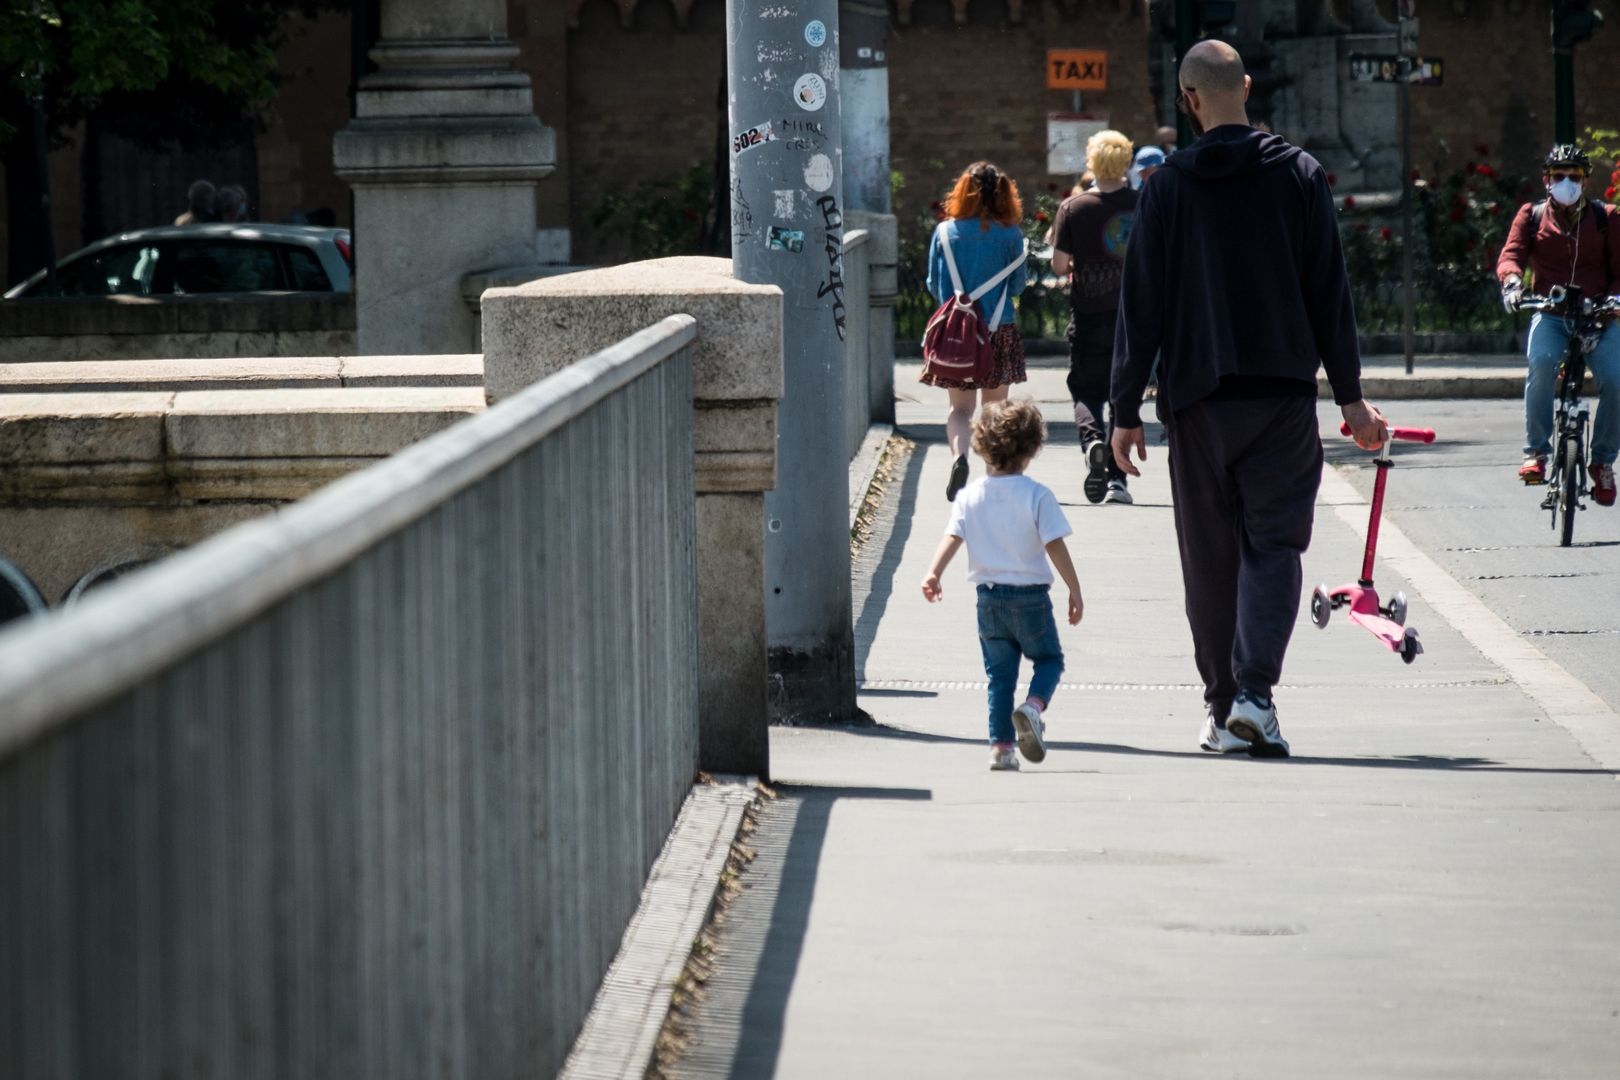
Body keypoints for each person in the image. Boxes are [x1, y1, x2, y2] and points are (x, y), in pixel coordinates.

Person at [1111, 40, 1387, 758]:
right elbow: (1330, 291)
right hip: (1282, 397)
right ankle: (1255, 697)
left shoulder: (1167, 186)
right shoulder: (1297, 174)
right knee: (1274, 546)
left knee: (1209, 558)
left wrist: (1121, 410)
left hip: (1198, 399)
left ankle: (1219, 706)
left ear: (1189, 99)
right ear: (1248, 87)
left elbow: (1139, 305)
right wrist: (1351, 398)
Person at [920, 400, 1084, 771]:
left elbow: (952, 536)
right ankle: (1033, 706)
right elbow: (1054, 544)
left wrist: (933, 573)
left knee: (999, 678)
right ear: (1031, 450)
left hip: (989, 600)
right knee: (1049, 659)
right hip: (1031, 600)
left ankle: (1001, 749)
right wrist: (1074, 589)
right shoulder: (1037, 495)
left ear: (980, 446)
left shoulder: (970, 496)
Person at [1496, 143, 1620, 506]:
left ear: (1586, 181)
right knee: (1541, 363)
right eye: (1559, 176)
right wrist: (1512, 282)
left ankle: (1602, 462)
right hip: (1551, 314)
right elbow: (1512, 254)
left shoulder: (1607, 217)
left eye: (1575, 176)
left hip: (1599, 317)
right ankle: (1535, 453)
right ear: (1546, 180)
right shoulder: (1531, 215)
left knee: (1615, 379)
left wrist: (1614, 298)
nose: (1567, 182)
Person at [922, 161, 1029, 501]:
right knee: (995, 410)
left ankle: (960, 458)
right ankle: (995, 478)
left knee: (960, 410)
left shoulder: (944, 233)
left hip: (959, 336)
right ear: (1003, 194)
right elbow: (1018, 285)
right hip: (999, 330)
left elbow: (934, 285)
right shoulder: (1011, 234)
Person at [1050, 128, 1139, 504]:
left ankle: (1093, 443)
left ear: (1092, 161)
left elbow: (1058, 266)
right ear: (1126, 161)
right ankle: (1118, 481)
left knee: (1086, 390)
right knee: (1124, 395)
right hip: (1133, 318)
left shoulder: (1073, 207)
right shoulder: (1144, 203)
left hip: (1087, 316)